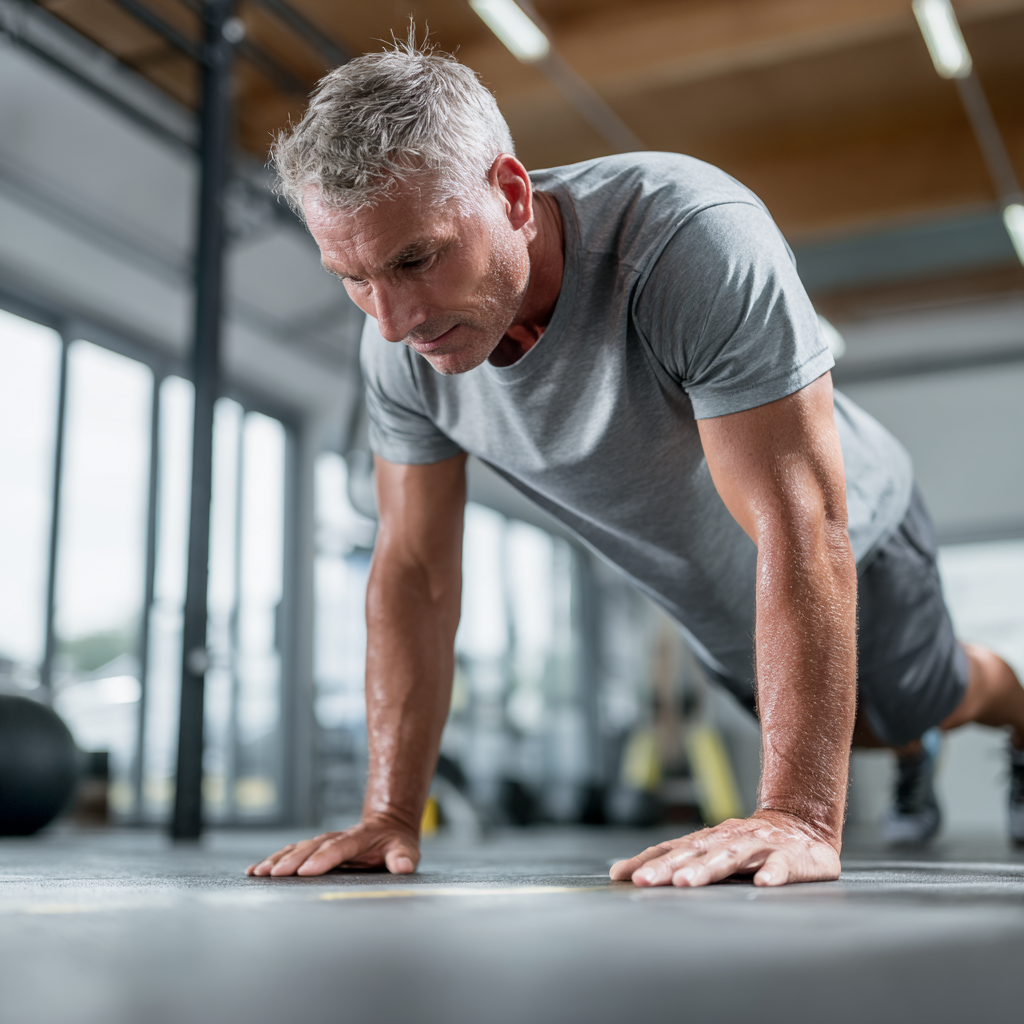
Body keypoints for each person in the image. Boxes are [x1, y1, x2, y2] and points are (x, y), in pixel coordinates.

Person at [247, 37, 1024, 886]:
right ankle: (910, 748)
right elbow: (414, 572)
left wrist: (796, 814)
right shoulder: (397, 352)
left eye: (416, 259)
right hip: (719, 598)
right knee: (867, 730)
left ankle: (1014, 706)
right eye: (352, 277)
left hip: (850, 540)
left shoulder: (686, 237)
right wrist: (389, 813)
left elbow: (800, 521)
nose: (392, 320)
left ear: (510, 194)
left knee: (922, 700)